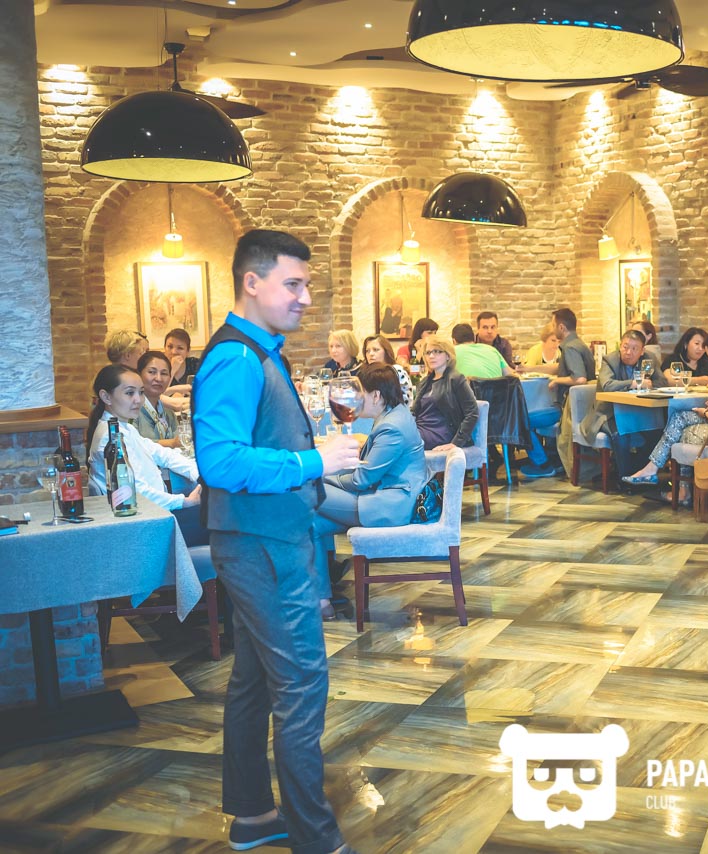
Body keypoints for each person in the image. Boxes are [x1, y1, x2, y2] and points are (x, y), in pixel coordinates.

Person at [193, 229, 360, 854]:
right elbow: (220, 462)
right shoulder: (235, 358)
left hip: (264, 539)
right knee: (301, 685)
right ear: (251, 282)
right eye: (293, 284)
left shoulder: (258, 353)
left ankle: (254, 816)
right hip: (263, 544)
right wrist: (314, 461)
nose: (305, 298)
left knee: (256, 682)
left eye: (306, 285)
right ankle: (316, 839)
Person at [311, 364, 427, 619]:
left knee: (308, 490)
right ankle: (322, 599)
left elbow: (362, 479)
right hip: (383, 495)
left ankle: (314, 591)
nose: (353, 400)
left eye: (358, 393)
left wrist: (323, 474)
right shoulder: (394, 414)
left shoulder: (392, 427)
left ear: (376, 395)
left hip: (391, 505)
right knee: (313, 523)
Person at [622, 329, 708, 504]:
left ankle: (675, 486)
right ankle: (664, 478)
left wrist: (704, 412)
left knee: (682, 426)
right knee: (681, 419)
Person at [86, 364, 205, 546]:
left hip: (155, 514)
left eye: (141, 392)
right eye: (129, 393)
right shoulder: (110, 438)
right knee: (227, 515)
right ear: (106, 397)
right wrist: (185, 502)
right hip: (146, 527)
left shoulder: (125, 428)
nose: (138, 400)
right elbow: (137, 492)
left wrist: (200, 474)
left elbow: (164, 454)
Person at [580, 330, 657, 479]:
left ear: (642, 351)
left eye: (634, 348)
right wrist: (634, 383)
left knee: (657, 431)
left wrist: (651, 384)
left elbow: (661, 382)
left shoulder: (649, 360)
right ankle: (624, 478)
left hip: (637, 412)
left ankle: (638, 473)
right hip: (608, 413)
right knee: (621, 434)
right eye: (625, 347)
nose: (628, 352)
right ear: (620, 346)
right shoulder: (610, 360)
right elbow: (607, 385)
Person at [410, 335, 480, 453]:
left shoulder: (456, 379)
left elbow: (472, 413)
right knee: (389, 434)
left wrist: (456, 443)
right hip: (420, 429)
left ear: (448, 355)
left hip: (440, 432)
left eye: (437, 351)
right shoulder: (425, 382)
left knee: (396, 440)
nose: (431, 356)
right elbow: (414, 412)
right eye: (428, 353)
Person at [551, 308, 596, 471]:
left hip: (572, 406)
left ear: (561, 327)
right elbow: (561, 368)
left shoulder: (569, 348)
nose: (552, 329)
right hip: (586, 405)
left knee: (529, 419)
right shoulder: (579, 344)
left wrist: (556, 381)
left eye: (553, 325)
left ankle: (549, 463)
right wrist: (529, 369)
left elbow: (579, 378)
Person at [133, 350, 181, 448]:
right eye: (152, 372)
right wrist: (171, 443)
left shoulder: (169, 414)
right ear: (139, 374)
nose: (158, 378)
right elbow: (133, 444)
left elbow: (180, 444)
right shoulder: (131, 410)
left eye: (164, 373)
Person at [363, 334, 412, 405]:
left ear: (386, 352)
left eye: (376, 350)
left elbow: (404, 401)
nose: (371, 354)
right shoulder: (365, 374)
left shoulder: (396, 370)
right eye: (367, 351)